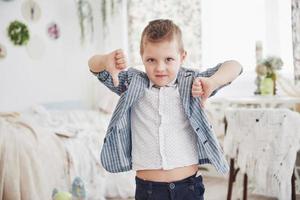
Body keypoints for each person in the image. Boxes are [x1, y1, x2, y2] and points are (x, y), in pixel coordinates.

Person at [88, 19, 242, 200]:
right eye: (151, 60)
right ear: (142, 57)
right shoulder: (132, 82)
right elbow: (94, 66)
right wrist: (105, 60)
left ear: (182, 57)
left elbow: (235, 66)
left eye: (169, 59)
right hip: (149, 190)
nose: (160, 68)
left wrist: (213, 82)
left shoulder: (192, 83)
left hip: (189, 188)